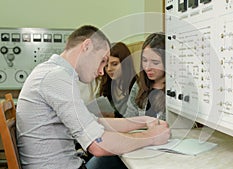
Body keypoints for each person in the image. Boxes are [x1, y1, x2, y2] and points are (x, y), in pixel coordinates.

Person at [16, 25, 170, 169]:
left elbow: (96, 122)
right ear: (86, 46)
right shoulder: (56, 78)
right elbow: (98, 145)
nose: (103, 71)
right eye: (102, 61)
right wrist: (151, 137)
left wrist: (143, 121)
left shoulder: (52, 73)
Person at [124, 32, 166, 120]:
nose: (147, 68)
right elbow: (129, 118)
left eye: (155, 62)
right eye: (144, 60)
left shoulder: (176, 90)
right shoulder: (139, 85)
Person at [98, 42, 137, 118]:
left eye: (114, 64)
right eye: (106, 66)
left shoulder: (137, 86)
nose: (109, 69)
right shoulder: (106, 85)